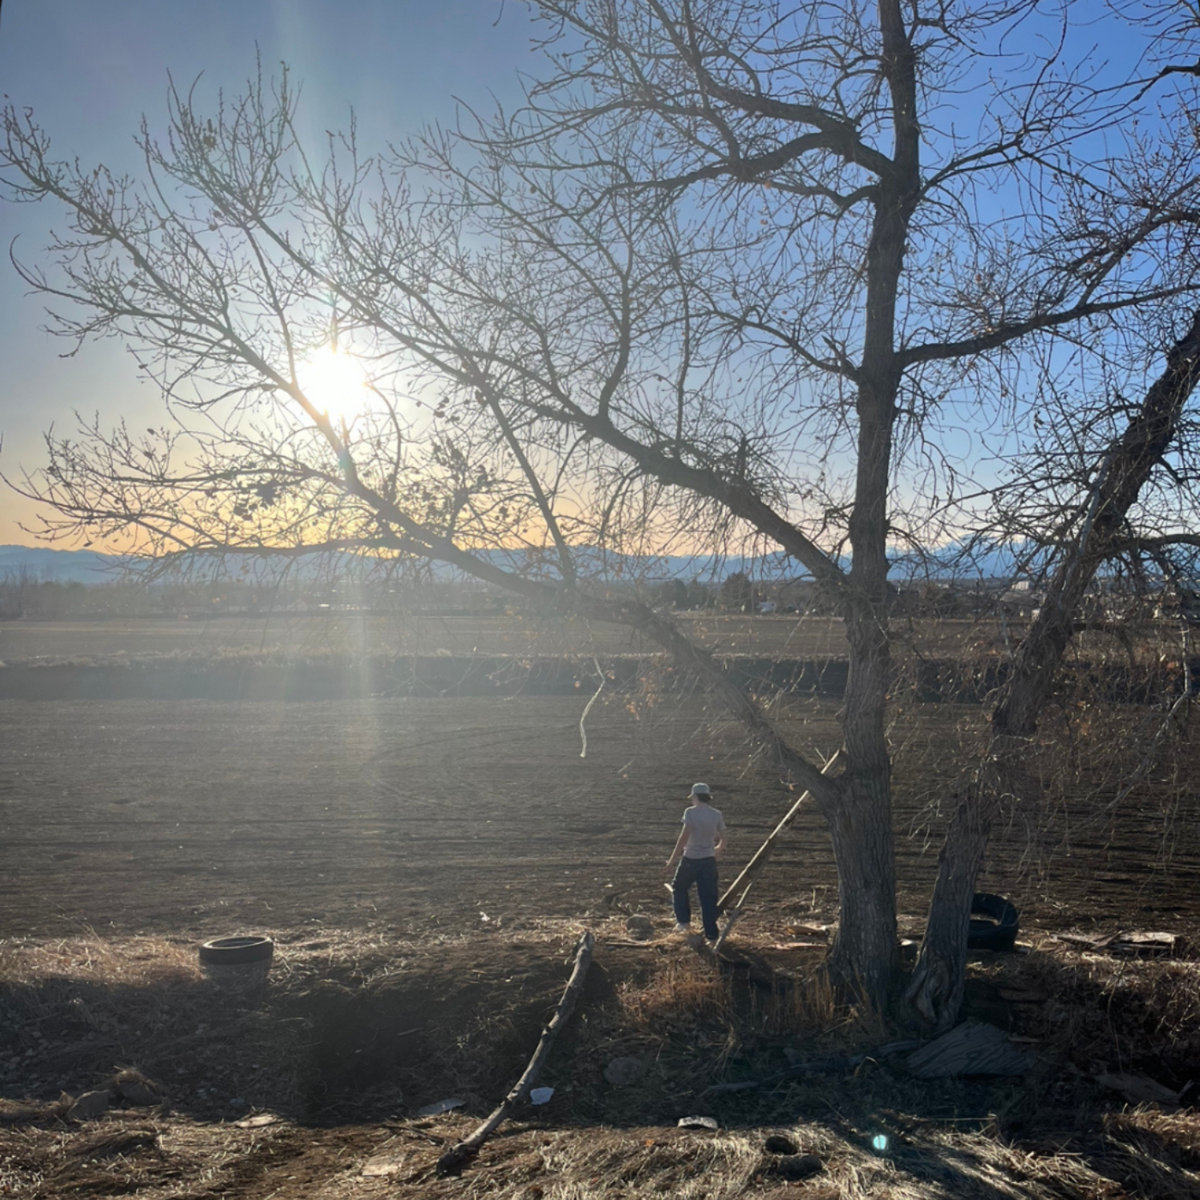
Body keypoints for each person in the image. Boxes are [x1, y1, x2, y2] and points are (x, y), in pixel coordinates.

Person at [665, 782, 727, 941]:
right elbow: (724, 840)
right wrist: (716, 852)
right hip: (708, 861)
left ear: (695, 797)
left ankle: (684, 923)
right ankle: (712, 935)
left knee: (679, 887)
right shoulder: (716, 814)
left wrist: (672, 860)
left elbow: (684, 837)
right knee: (708, 898)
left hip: (691, 859)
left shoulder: (690, 813)